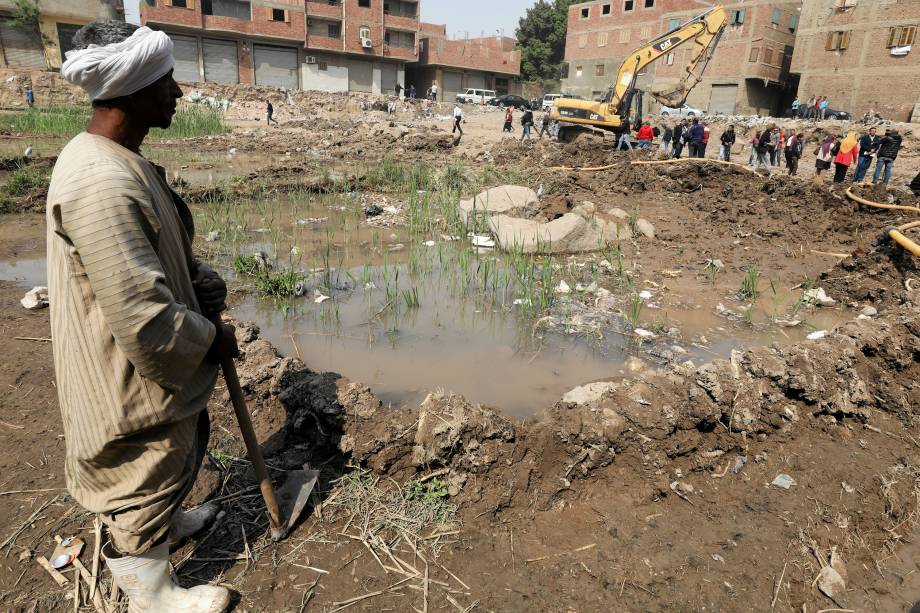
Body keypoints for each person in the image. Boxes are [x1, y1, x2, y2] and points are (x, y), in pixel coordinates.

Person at [51, 21, 236, 612]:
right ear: (130, 90)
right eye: (166, 81)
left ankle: (165, 526)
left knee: (169, 458)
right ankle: (151, 592)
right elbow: (145, 318)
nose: (178, 93)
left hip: (130, 355)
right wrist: (212, 339)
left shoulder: (118, 160)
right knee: (143, 460)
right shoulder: (102, 181)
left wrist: (198, 279)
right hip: (125, 370)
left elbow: (151, 256)